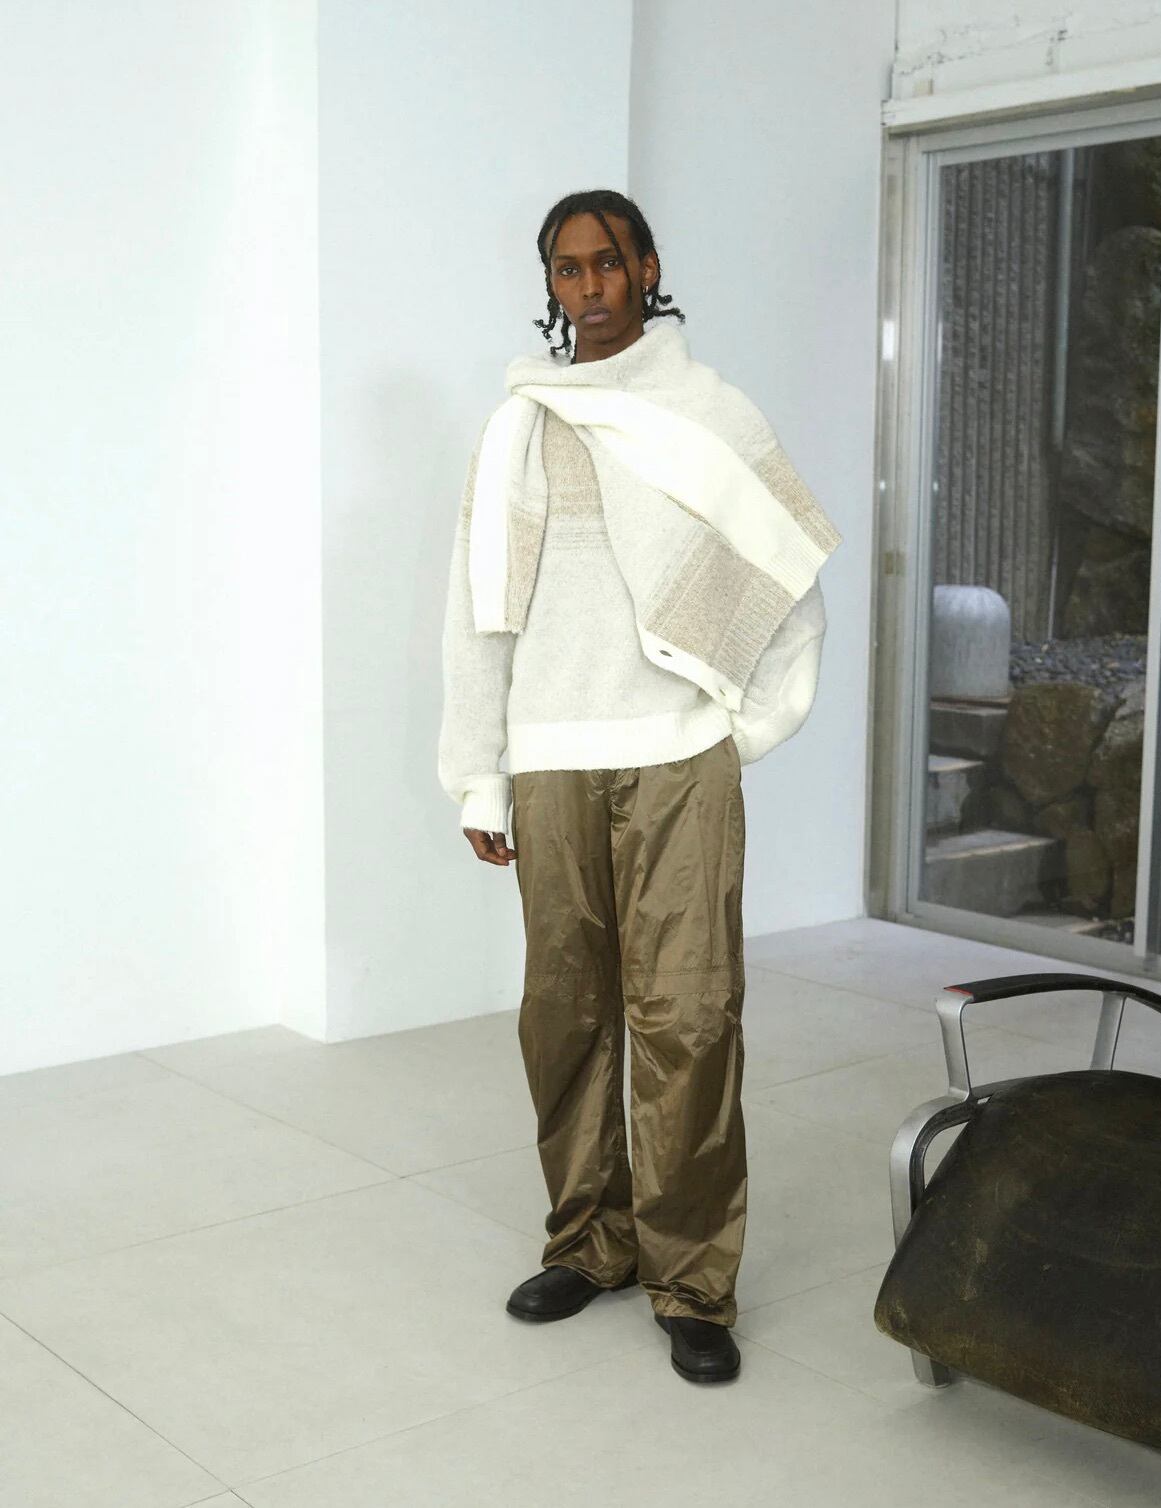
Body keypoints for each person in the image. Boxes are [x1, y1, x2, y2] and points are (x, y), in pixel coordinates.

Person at [437, 189, 842, 1385]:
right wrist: (478, 775)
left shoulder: (712, 412)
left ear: (648, 267)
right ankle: (590, 1240)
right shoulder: (519, 424)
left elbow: (785, 576)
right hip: (551, 754)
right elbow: (477, 613)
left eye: (606, 262)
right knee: (565, 1014)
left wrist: (738, 728)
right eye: (566, 269)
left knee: (690, 1017)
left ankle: (693, 1279)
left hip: (676, 758)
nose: (588, 286)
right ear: (551, 287)